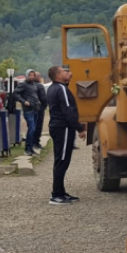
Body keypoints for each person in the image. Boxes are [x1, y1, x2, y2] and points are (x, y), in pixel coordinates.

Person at [46, 65, 85, 205]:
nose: (69, 73)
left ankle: (61, 192)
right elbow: (68, 110)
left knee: (62, 160)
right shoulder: (60, 88)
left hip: (59, 127)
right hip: (63, 128)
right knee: (61, 161)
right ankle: (56, 194)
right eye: (65, 71)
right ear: (57, 75)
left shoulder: (54, 87)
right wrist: (79, 128)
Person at [13, 69, 41, 156]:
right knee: (31, 129)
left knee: (33, 129)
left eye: (33, 75)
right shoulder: (23, 84)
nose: (32, 77)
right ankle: (27, 149)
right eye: (30, 75)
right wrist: (23, 101)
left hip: (35, 109)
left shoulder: (34, 85)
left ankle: (31, 148)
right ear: (27, 75)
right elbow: (15, 93)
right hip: (28, 110)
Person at [33, 71, 47, 152]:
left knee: (31, 126)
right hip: (39, 108)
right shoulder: (39, 86)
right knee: (38, 125)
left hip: (30, 108)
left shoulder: (28, 85)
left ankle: (31, 142)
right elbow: (43, 98)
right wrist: (44, 106)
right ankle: (36, 142)